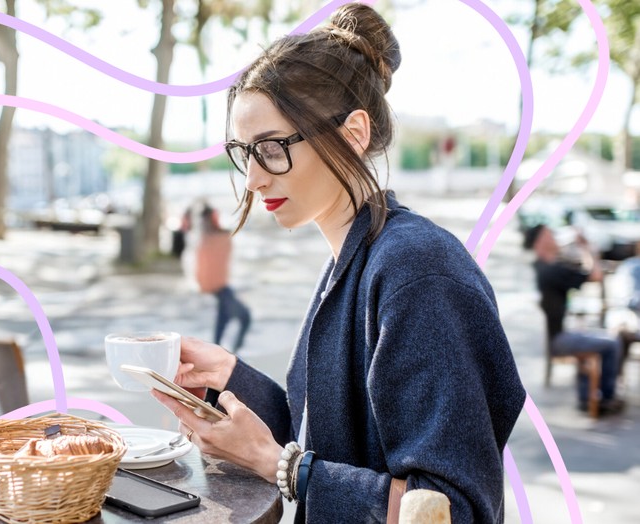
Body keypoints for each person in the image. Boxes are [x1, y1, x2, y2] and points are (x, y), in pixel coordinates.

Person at [148, 4, 526, 522]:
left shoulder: (416, 272)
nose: (255, 179)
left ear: (353, 133)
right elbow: (331, 440)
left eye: (274, 148)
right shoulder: (359, 256)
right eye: (245, 152)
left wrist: (271, 461)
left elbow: (450, 508)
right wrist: (233, 380)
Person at [523, 224, 624, 413]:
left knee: (588, 334)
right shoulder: (551, 271)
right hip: (560, 339)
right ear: (541, 241)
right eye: (550, 234)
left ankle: (587, 396)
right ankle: (606, 399)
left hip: (556, 335)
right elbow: (596, 275)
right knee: (613, 342)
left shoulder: (540, 267)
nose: (555, 237)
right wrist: (586, 247)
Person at [187, 201, 252, 352]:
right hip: (220, 287)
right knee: (244, 317)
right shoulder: (215, 238)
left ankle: (219, 349)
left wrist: (203, 285)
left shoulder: (205, 239)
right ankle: (229, 350)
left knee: (223, 319)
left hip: (216, 287)